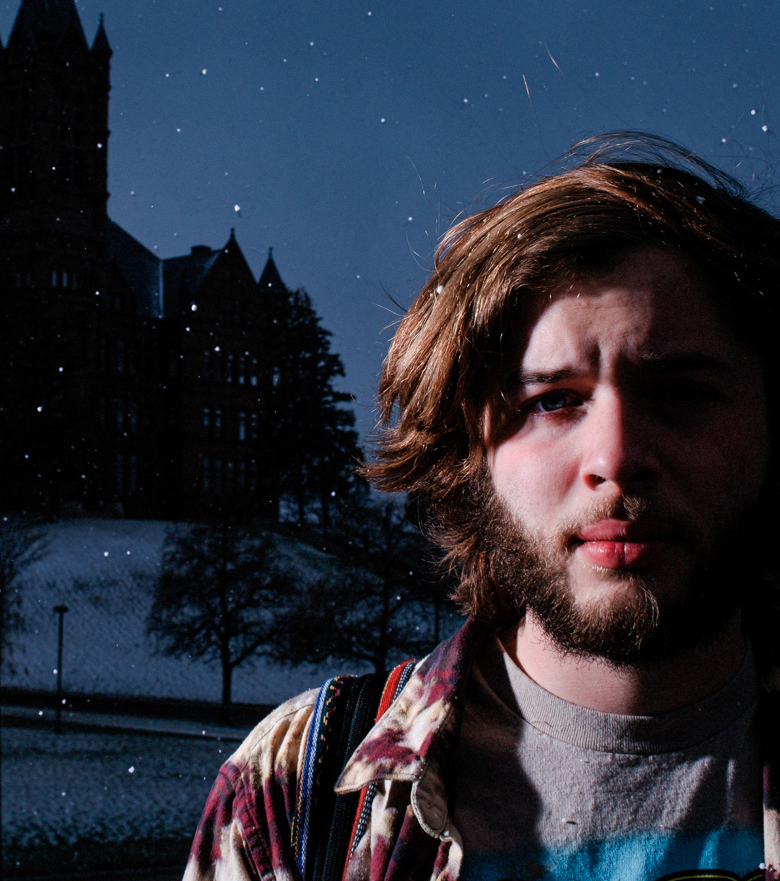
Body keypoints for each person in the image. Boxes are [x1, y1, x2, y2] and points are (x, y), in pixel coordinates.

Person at [183, 132, 780, 881]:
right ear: (472, 449)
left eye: (684, 394)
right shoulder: (294, 793)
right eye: (553, 401)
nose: (616, 457)